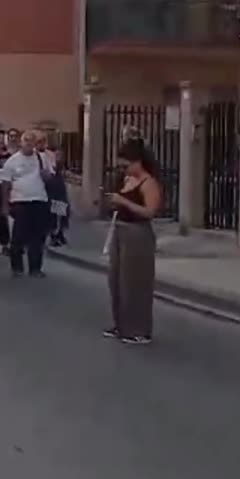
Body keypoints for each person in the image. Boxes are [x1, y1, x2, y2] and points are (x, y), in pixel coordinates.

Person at [104, 140, 162, 345]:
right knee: (117, 280)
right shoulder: (127, 180)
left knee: (136, 282)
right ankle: (121, 324)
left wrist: (124, 202)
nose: (124, 169)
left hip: (138, 234)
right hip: (120, 230)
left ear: (138, 162)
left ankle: (140, 329)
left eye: (126, 165)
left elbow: (149, 211)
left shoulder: (149, 183)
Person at [0, 129, 54, 278]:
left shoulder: (42, 158)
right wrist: (5, 205)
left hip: (39, 200)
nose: (29, 144)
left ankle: (35, 268)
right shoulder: (13, 161)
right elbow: (5, 184)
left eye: (32, 141)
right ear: (22, 143)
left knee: (37, 237)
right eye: (26, 140)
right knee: (18, 236)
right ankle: (17, 267)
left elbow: (50, 178)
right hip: (20, 202)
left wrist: (46, 176)